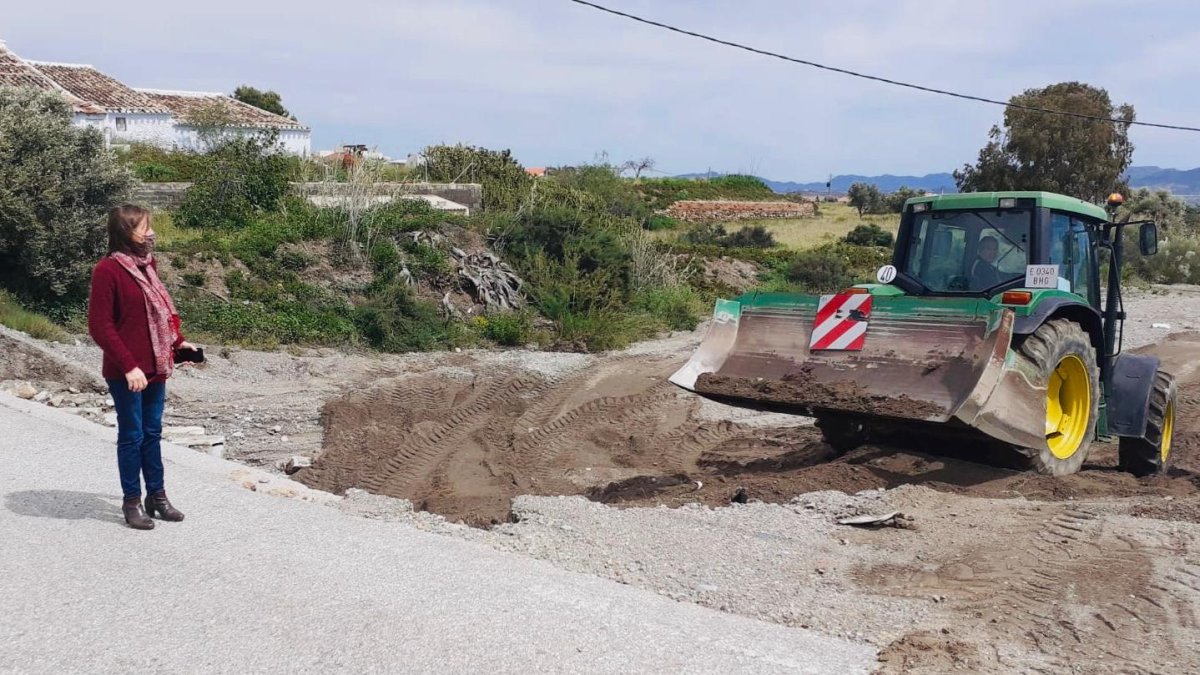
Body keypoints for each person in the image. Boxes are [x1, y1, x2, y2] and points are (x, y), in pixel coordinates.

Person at [88, 205, 197, 530]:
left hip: (155, 366)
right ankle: (132, 502)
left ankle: (157, 497)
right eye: (144, 228)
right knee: (132, 436)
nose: (151, 233)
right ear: (126, 232)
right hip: (127, 372)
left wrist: (179, 343)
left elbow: (160, 314)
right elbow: (100, 326)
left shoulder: (148, 265)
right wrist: (128, 366)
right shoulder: (107, 270)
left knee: (152, 433)